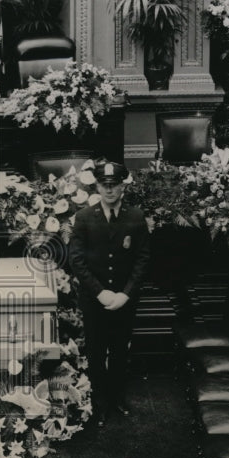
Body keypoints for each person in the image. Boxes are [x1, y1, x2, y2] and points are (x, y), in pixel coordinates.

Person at [67, 160, 151, 427]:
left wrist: (125, 294)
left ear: (122, 187)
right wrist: (101, 292)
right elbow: (77, 261)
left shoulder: (135, 217)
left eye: (114, 186)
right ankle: (99, 402)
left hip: (125, 300)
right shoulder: (83, 218)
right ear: (97, 186)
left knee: (118, 350)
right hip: (95, 301)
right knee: (95, 350)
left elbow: (143, 259)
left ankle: (117, 397)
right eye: (104, 185)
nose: (109, 190)